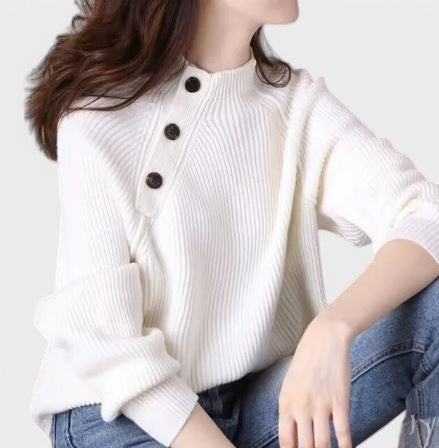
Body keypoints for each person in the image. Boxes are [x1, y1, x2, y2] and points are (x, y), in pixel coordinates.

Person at [25, 1, 439, 447]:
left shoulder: (296, 108)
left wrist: (333, 327)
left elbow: (427, 213)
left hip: (252, 406)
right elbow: (108, 347)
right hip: (120, 415)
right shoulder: (98, 118)